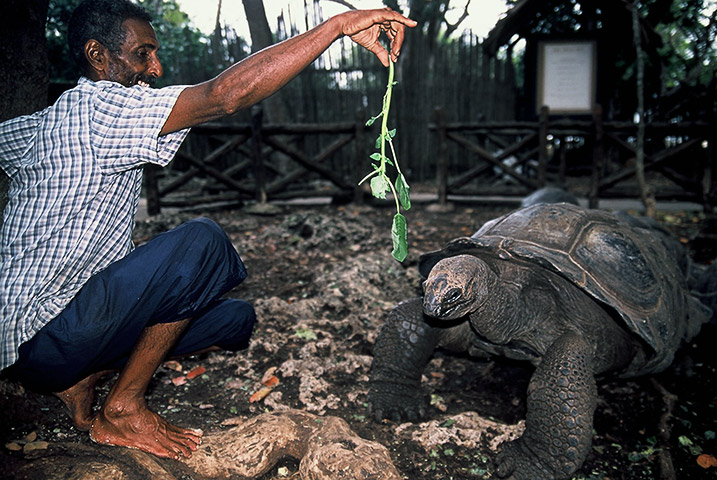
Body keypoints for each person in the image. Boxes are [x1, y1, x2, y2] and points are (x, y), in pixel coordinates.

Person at [0, 0, 416, 460]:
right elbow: (224, 95)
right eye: (143, 54)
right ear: (97, 56)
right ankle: (122, 408)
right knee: (204, 243)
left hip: (51, 338)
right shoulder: (101, 106)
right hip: (44, 335)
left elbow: (7, 141)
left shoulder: (45, 121)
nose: (155, 68)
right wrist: (337, 27)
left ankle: (82, 378)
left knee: (234, 321)